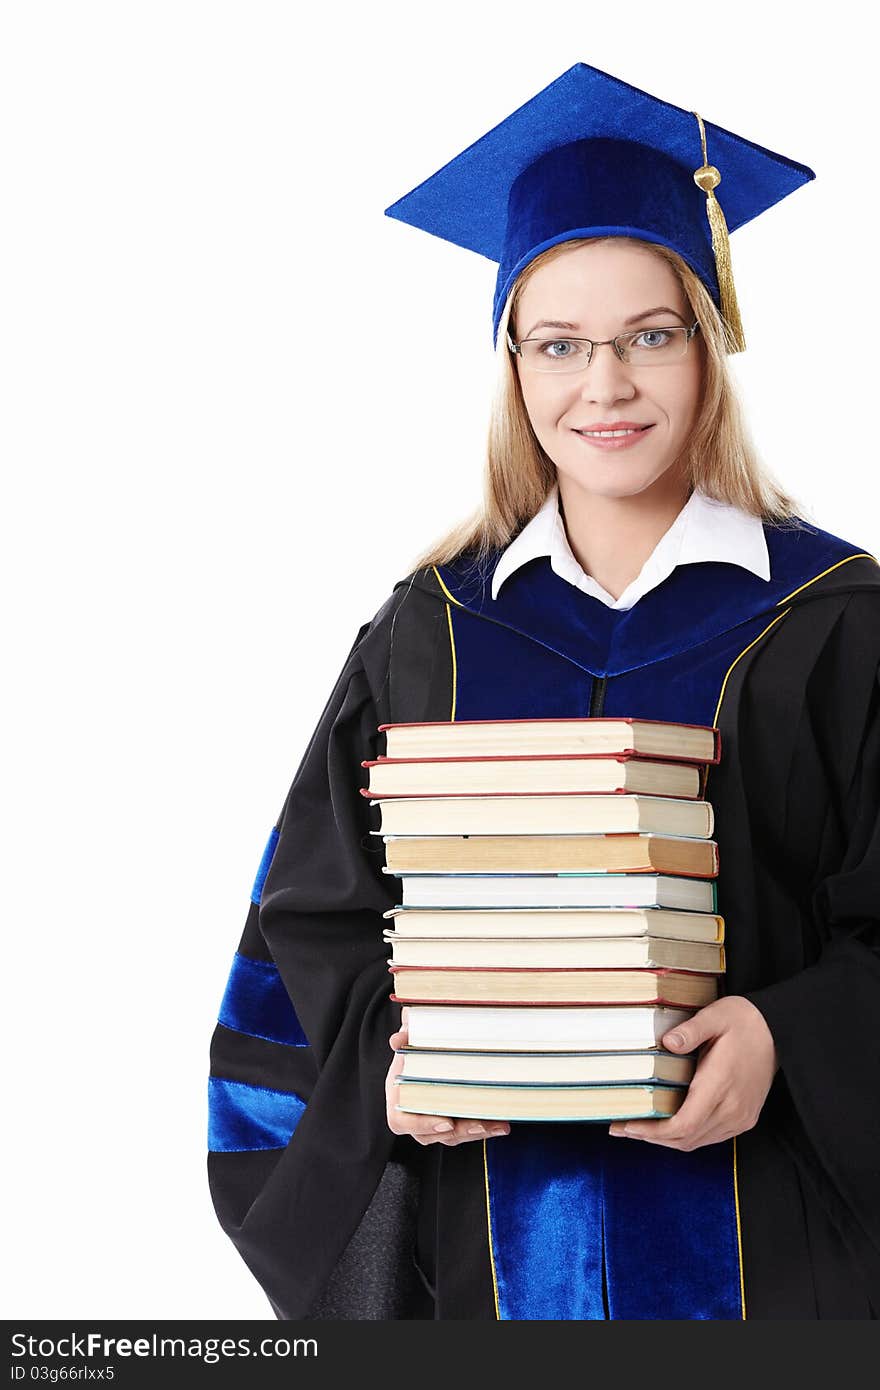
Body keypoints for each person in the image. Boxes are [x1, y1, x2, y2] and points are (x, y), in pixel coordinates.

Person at [207, 61, 880, 1320]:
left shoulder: (835, 624)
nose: (605, 386)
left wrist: (793, 1035)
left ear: (709, 346)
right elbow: (307, 941)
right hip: (489, 1271)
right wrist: (386, 1079)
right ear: (512, 364)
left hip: (792, 1275)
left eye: (649, 336)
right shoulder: (427, 635)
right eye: (559, 343)